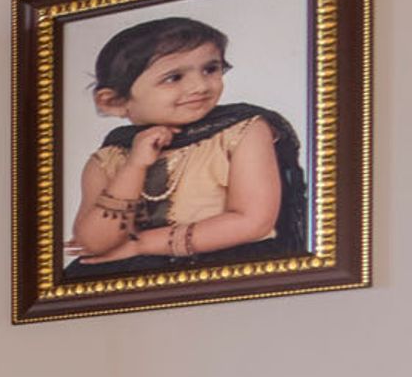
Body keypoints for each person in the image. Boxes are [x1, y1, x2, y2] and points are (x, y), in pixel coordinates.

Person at [65, 14, 308, 268]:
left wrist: (142, 244)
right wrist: (134, 166)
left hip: (224, 267)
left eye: (210, 69)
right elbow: (92, 244)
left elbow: (253, 222)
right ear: (114, 102)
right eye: (173, 78)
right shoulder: (109, 158)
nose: (200, 85)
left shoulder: (243, 130)